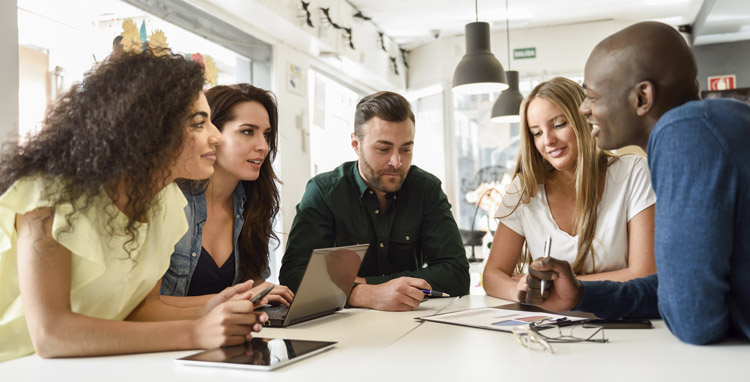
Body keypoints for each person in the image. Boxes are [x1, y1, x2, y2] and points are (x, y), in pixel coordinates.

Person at [0, 50, 267, 362]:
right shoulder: (47, 195)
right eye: (199, 124)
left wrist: (211, 307)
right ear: (150, 129)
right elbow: (51, 335)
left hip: (90, 368)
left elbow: (141, 308)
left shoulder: (166, 201)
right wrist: (195, 332)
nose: (216, 137)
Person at [523, 21, 750, 345]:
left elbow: (694, 320)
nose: (584, 109)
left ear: (642, 96)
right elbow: (677, 286)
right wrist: (582, 294)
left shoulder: (684, 134)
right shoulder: (718, 120)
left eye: (592, 96)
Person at [279, 91, 470, 311]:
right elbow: (293, 277)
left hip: (412, 326)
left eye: (406, 149)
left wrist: (367, 283)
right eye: (383, 149)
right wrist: (362, 294)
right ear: (355, 144)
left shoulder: (426, 189)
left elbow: (456, 274)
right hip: (344, 332)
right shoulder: (325, 193)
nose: (397, 162)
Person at [483, 77, 656, 302]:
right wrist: (518, 290)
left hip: (621, 321)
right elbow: (492, 275)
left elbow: (645, 274)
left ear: (583, 119)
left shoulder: (633, 172)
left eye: (558, 124)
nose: (548, 141)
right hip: (551, 326)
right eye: (537, 132)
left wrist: (562, 286)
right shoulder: (524, 189)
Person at [160, 84, 293, 306]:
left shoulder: (253, 202)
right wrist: (238, 299)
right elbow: (145, 307)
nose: (263, 146)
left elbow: (253, 285)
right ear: (211, 133)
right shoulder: (171, 200)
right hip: (170, 338)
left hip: (226, 336)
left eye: (266, 135)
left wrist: (263, 295)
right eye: (247, 131)